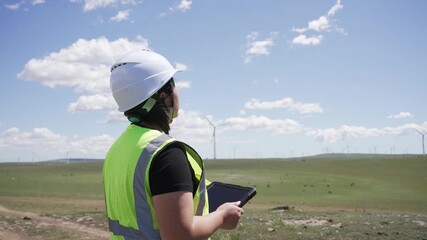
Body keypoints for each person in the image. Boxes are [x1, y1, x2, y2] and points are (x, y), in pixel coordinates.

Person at [103, 49, 244, 240]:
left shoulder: (118, 150)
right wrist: (221, 216)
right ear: (163, 95)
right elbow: (179, 235)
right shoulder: (166, 154)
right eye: (174, 86)